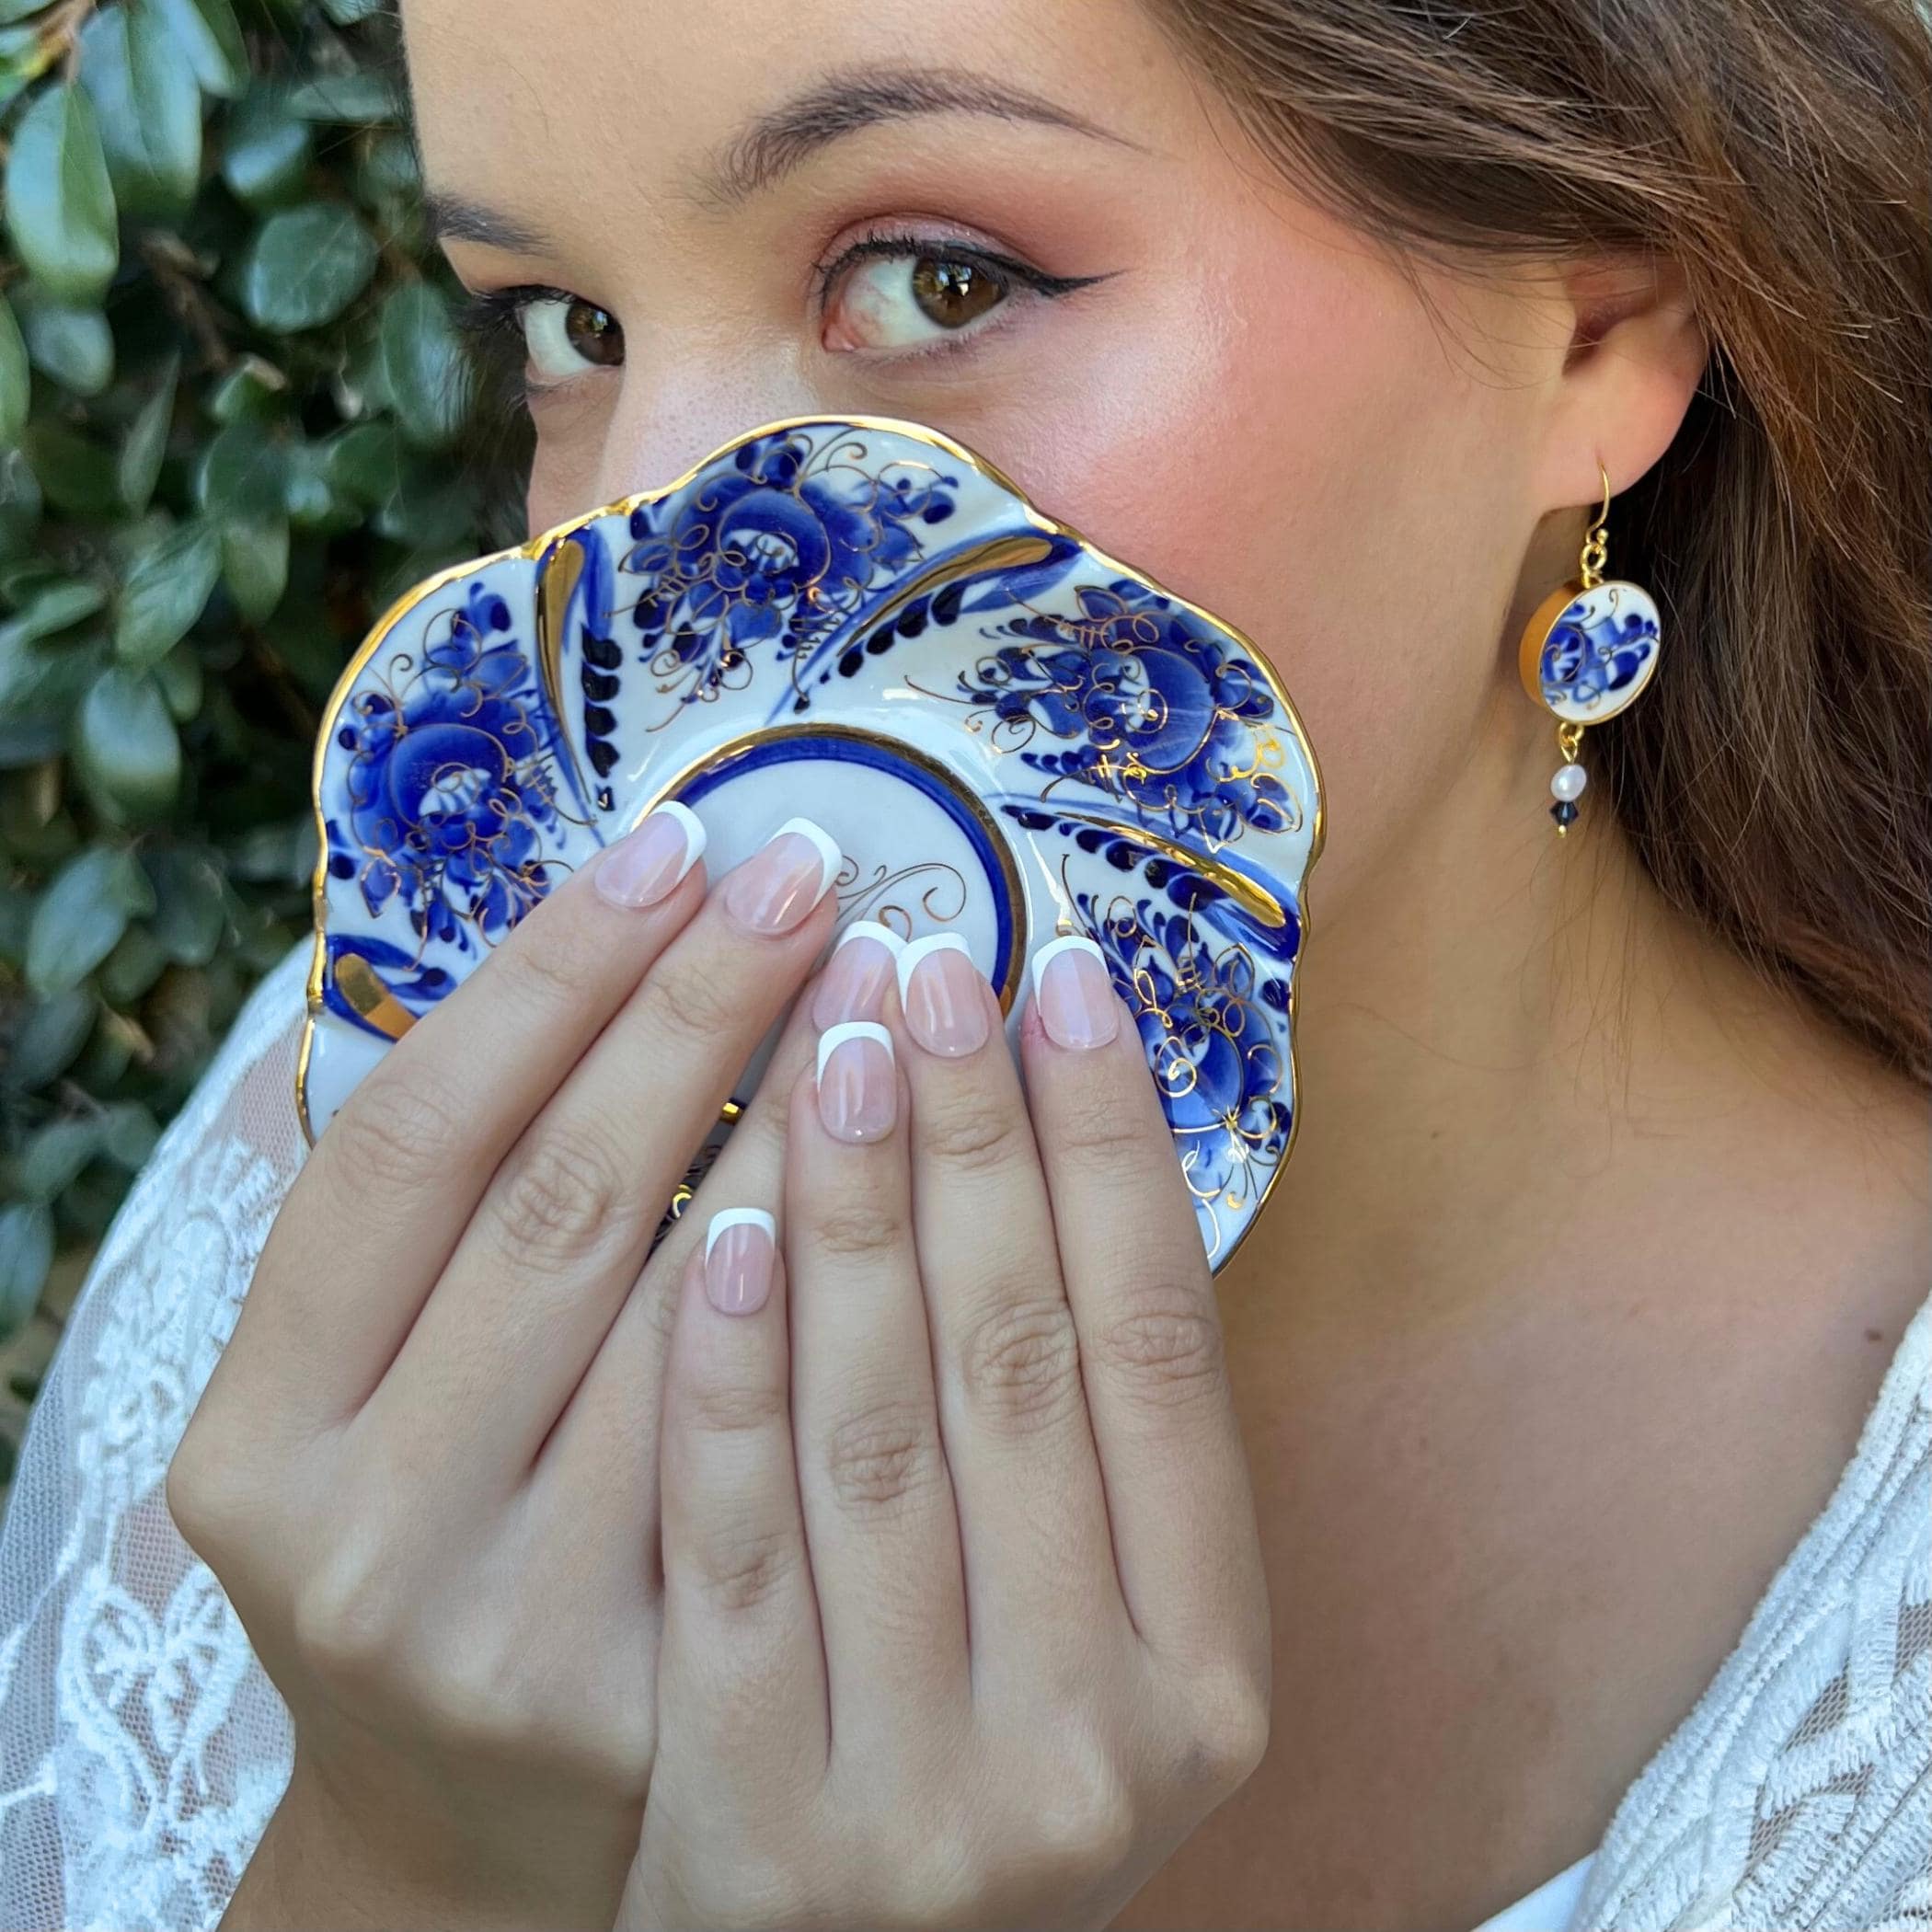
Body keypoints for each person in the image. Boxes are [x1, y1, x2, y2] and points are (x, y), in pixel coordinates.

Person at [3, 0, 1928, 1926]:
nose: (659, 546)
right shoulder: (379, 1140)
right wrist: (411, 1864)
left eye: (939, 280)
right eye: (565, 330)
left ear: (1594, 322)